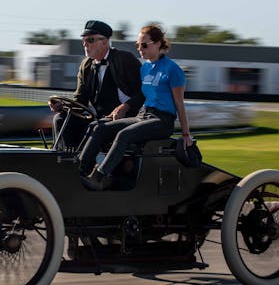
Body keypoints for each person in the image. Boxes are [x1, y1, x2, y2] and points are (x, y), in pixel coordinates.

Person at [79, 24, 194, 190]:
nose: (140, 48)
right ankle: (80, 169)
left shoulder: (173, 70)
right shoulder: (145, 68)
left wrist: (185, 134)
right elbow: (139, 95)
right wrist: (124, 107)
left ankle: (100, 175)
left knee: (124, 134)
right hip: (143, 115)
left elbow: (179, 104)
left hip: (162, 120)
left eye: (144, 45)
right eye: (138, 45)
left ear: (158, 44)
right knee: (99, 127)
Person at [49, 20, 144, 150]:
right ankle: (66, 158)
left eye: (90, 40)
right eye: (83, 40)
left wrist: (126, 107)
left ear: (104, 42)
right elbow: (80, 100)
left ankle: (86, 162)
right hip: (97, 118)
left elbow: (144, 91)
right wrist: (62, 106)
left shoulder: (125, 59)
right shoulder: (86, 65)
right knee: (60, 119)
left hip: (124, 117)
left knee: (96, 127)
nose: (85, 44)